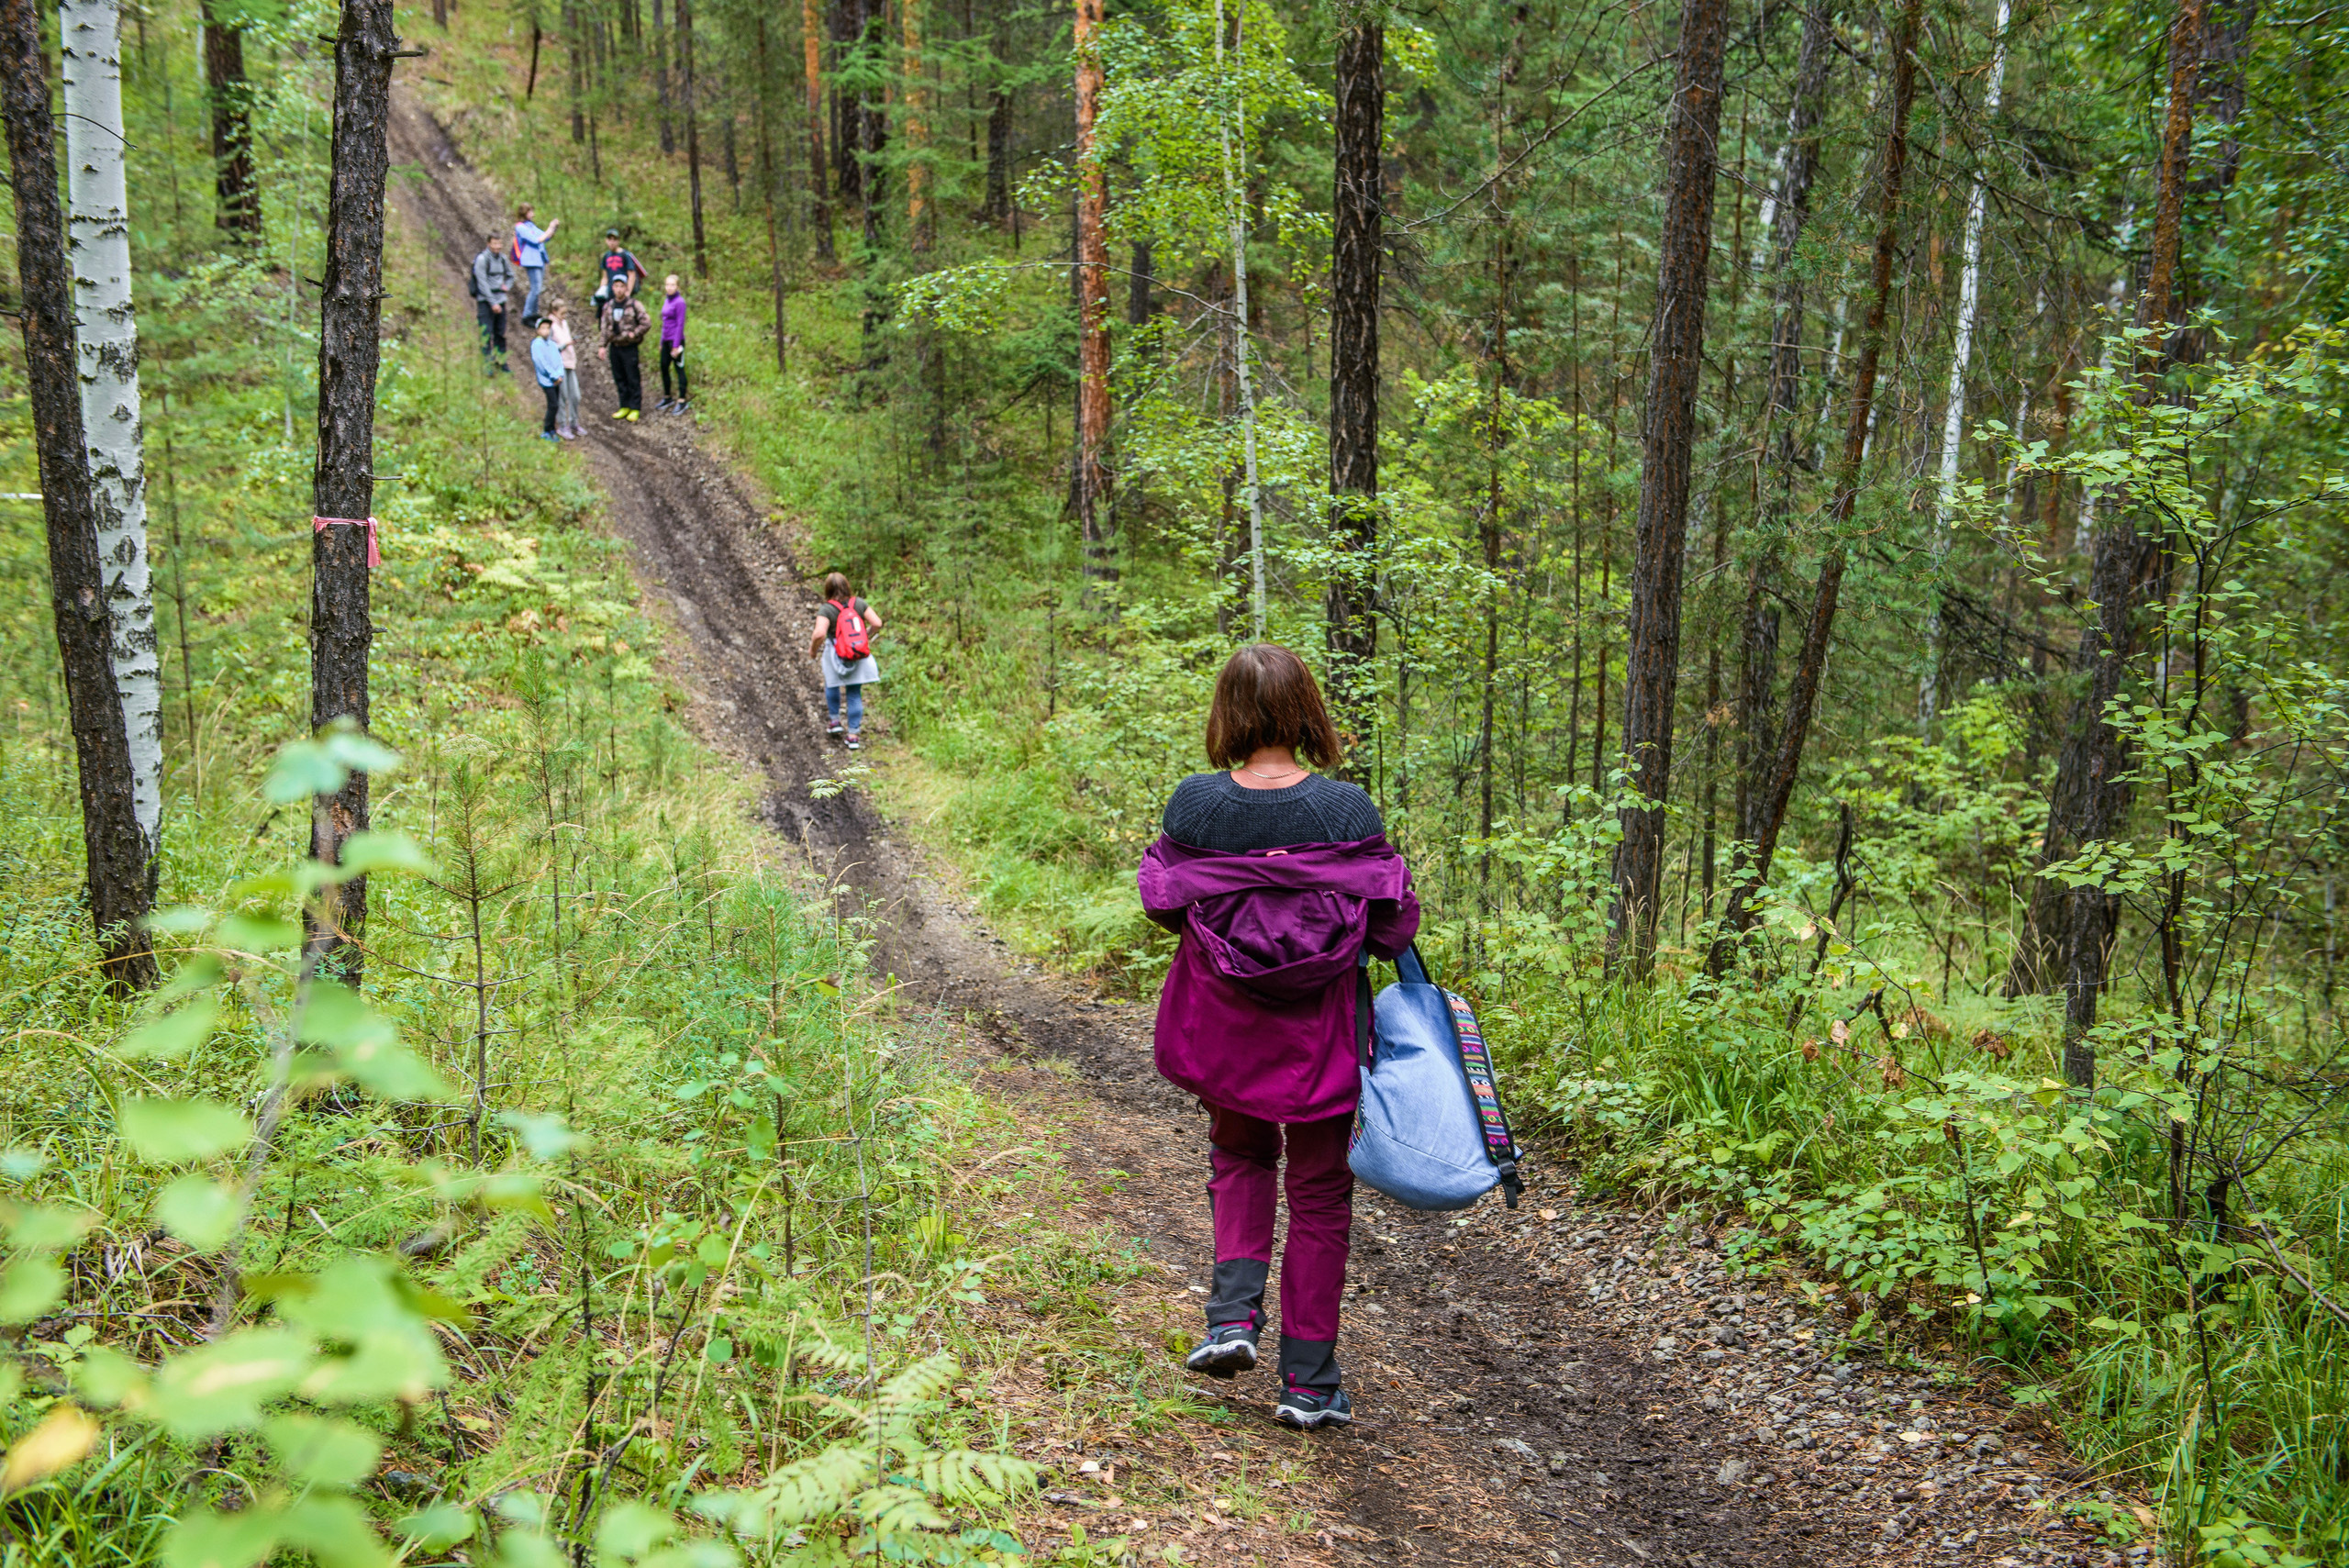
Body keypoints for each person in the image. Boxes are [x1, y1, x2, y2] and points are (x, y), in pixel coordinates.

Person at [1135, 644, 1419, 1430]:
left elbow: (1164, 903)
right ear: (1306, 711)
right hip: (1321, 1035)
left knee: (1242, 1155)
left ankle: (1230, 1322)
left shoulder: (1195, 808)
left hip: (1227, 1029)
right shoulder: (1346, 812)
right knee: (1322, 1193)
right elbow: (1392, 924)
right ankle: (1310, 1382)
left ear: (1227, 710)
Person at [807, 573, 882, 749]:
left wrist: (813, 650)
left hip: (836, 654)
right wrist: (865, 636)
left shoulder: (827, 609)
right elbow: (877, 622)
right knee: (854, 692)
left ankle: (835, 722)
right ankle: (853, 735)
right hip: (858, 653)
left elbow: (819, 633)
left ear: (827, 589)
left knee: (832, 685)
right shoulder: (859, 603)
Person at [599, 272, 651, 422]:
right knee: (619, 376)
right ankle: (624, 405)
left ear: (627, 288)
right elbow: (604, 327)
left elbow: (646, 323)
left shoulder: (634, 305)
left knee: (632, 376)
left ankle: (635, 407)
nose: (619, 289)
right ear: (612, 288)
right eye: (616, 286)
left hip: (629, 347)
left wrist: (634, 334)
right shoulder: (608, 306)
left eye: (622, 286)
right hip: (615, 346)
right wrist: (602, 346)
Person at [468, 233, 514, 374]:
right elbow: (482, 283)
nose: (497, 247)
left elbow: (511, 275)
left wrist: (507, 285)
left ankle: (501, 361)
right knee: (486, 334)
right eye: (494, 243)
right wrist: (493, 303)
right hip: (485, 302)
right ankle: (487, 364)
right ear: (488, 244)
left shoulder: (503, 259)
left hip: (501, 300)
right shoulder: (482, 259)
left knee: (500, 333)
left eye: (499, 244)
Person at [512, 204, 562, 325]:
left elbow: (545, 237)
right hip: (531, 260)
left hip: (539, 260)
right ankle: (527, 314)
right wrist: (550, 227)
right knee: (536, 288)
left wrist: (553, 229)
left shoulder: (531, 226)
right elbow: (537, 239)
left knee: (538, 288)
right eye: (530, 211)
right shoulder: (520, 227)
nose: (533, 214)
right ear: (525, 213)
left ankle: (533, 313)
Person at [591, 228, 646, 323]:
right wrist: (601, 291)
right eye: (610, 239)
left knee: (623, 318)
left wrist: (628, 291)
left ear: (618, 241)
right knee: (607, 317)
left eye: (614, 239)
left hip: (622, 292)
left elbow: (631, 274)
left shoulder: (625, 255)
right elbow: (605, 276)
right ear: (606, 240)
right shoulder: (606, 256)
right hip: (610, 292)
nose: (612, 242)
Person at [549, 301, 584, 439]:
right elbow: (550, 347)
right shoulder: (550, 325)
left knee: (575, 395)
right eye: (562, 313)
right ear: (554, 311)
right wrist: (565, 345)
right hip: (559, 365)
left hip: (570, 363)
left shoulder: (564, 324)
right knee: (562, 396)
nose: (564, 316)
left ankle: (574, 422)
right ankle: (562, 425)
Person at [656, 273, 690, 414]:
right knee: (664, 367)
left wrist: (676, 346)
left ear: (677, 287)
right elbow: (665, 323)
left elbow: (680, 324)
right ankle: (667, 396)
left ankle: (682, 400)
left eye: (672, 285)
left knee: (679, 369)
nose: (669, 288)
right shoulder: (667, 300)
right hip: (666, 340)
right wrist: (661, 341)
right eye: (667, 284)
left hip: (676, 340)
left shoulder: (680, 302)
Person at [529, 318, 565, 441]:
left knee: (556, 405)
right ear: (538, 330)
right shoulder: (537, 344)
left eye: (548, 328)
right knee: (553, 405)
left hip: (557, 379)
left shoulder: (552, 344)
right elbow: (541, 363)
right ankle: (547, 429)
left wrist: (560, 375)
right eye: (543, 328)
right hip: (547, 381)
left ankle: (552, 430)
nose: (546, 331)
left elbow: (559, 360)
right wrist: (553, 376)